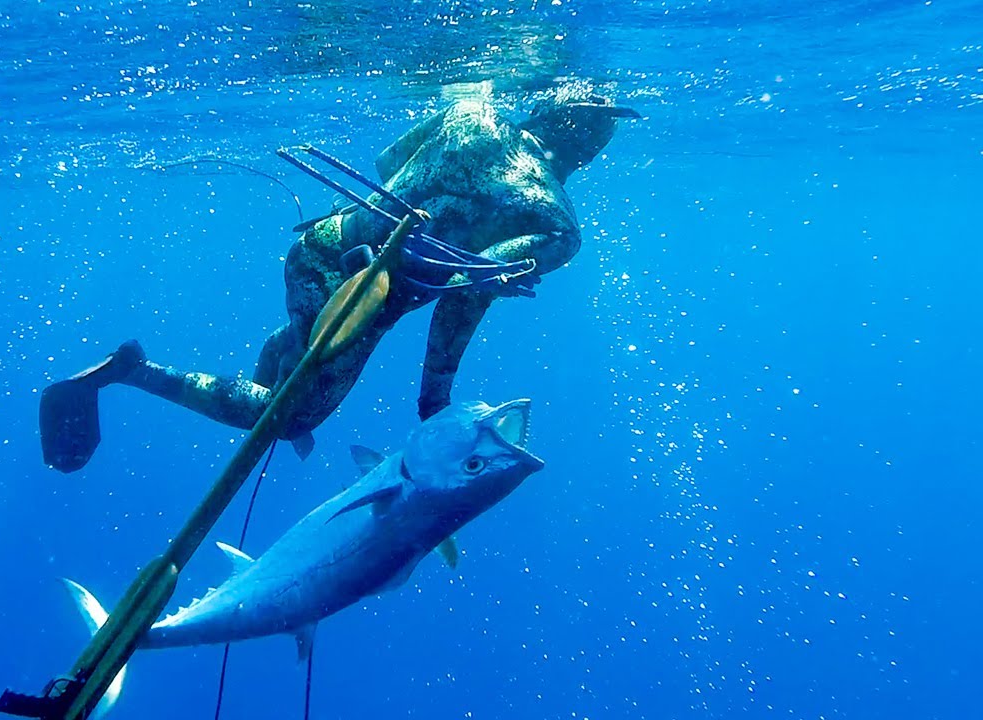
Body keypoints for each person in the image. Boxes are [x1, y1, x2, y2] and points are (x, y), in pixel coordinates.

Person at [40, 81, 639, 472]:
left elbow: (388, 164)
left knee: (299, 345)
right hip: (361, 296)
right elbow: (463, 299)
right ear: (590, 147)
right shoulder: (554, 221)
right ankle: (133, 370)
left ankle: (287, 343)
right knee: (289, 419)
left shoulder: (471, 114)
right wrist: (434, 399)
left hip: (321, 246)